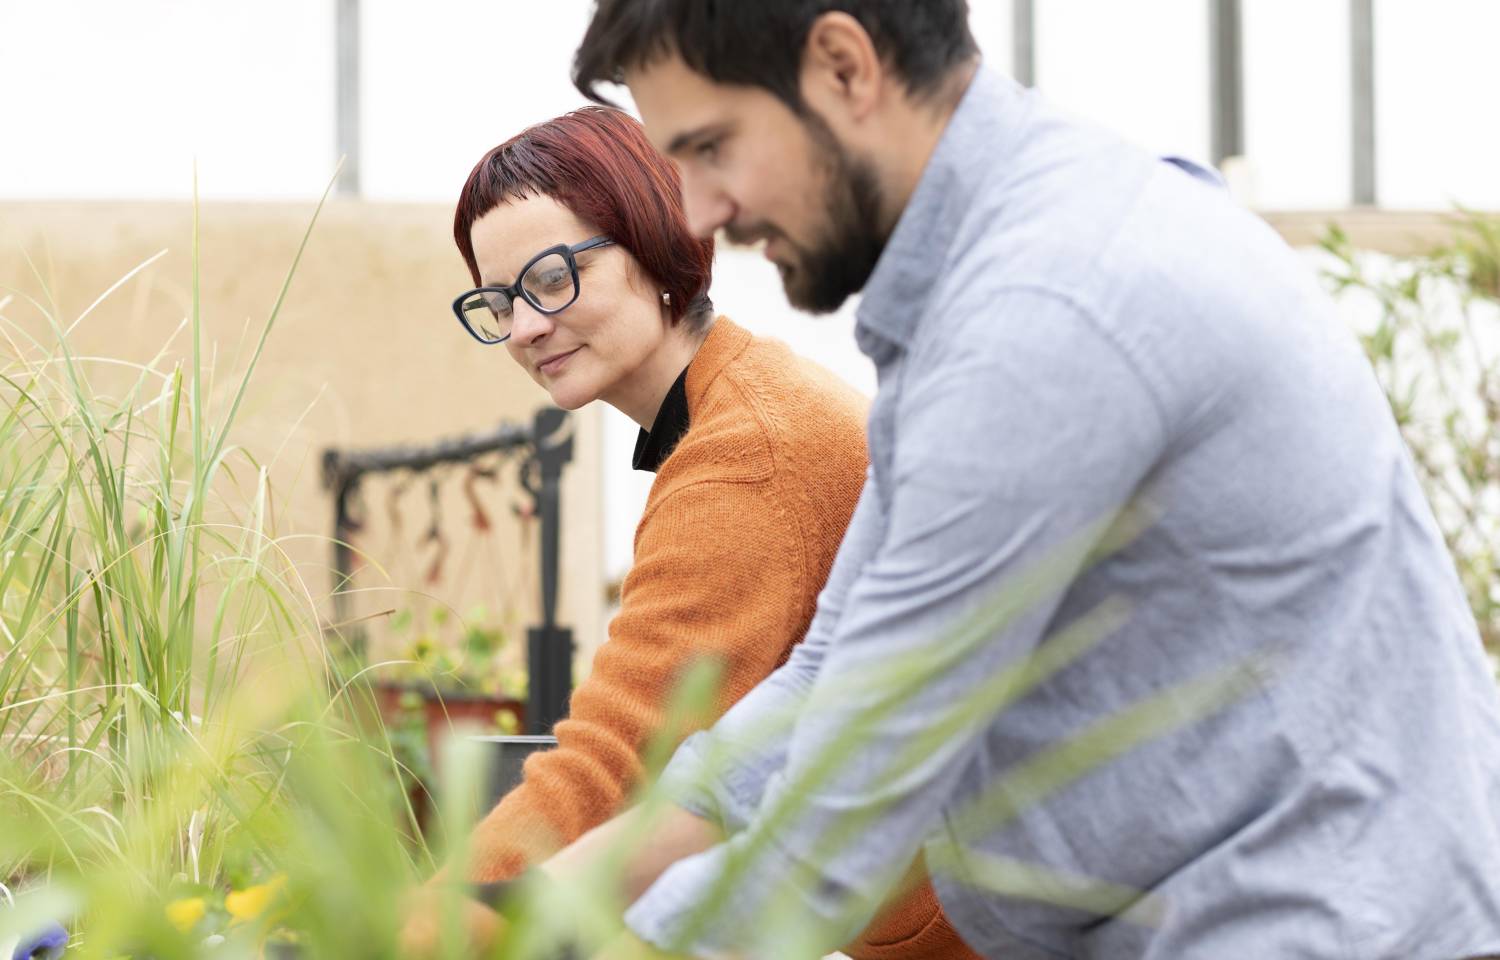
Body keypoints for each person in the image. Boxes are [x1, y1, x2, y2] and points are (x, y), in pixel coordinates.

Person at [541, 3, 1500, 959]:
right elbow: (832, 679)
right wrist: (538, 898)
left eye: (712, 149)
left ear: (844, 66)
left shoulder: (1049, 307)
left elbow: (845, 815)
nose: (702, 210)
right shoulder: (1009, 256)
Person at [404, 106, 980, 960]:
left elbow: (619, 758)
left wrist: (420, 924)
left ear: (654, 242)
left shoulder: (745, 456)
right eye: (498, 301)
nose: (525, 326)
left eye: (552, 278)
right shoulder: (747, 399)